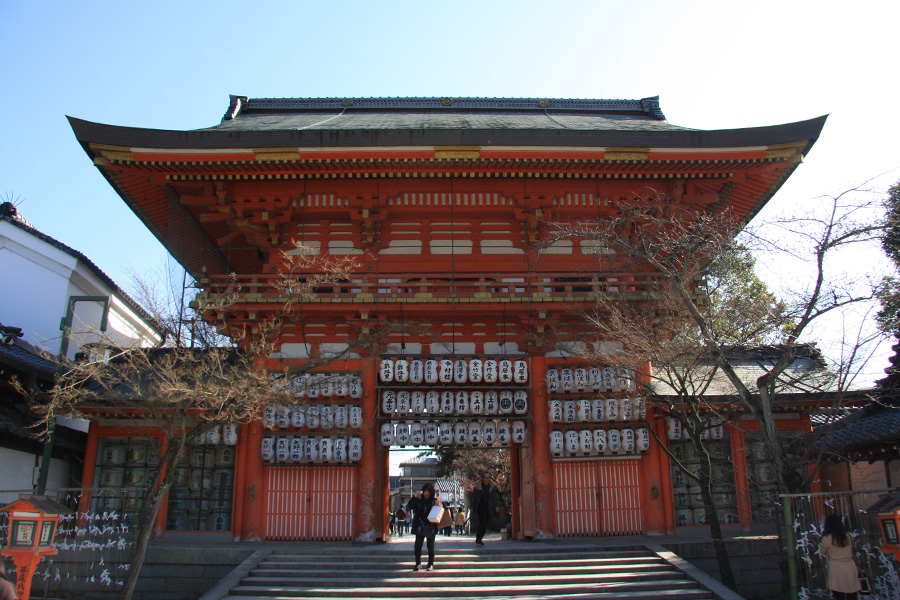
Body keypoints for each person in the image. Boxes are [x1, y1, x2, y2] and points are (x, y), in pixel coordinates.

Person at [818, 514, 861, 600]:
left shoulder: (827, 539)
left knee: (838, 593)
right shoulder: (849, 536)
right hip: (850, 565)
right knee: (852, 593)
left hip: (836, 566)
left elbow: (823, 551)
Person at [407, 483, 441, 572]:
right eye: (425, 491)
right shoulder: (419, 500)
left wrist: (439, 504)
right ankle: (418, 563)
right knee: (418, 546)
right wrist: (414, 497)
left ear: (431, 493)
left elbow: (441, 511)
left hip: (431, 527)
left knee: (431, 546)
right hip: (420, 526)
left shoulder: (434, 501)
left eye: (428, 492)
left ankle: (430, 564)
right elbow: (409, 506)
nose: (426, 493)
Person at [470, 471, 500, 546]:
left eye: (489, 477)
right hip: (480, 506)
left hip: (488, 506)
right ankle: (478, 538)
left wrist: (497, 505)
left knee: (486, 523)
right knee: (482, 522)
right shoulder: (478, 486)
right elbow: (473, 497)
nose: (488, 479)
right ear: (483, 478)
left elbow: (494, 497)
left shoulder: (491, 486)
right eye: (486, 478)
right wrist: (472, 507)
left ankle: (480, 538)